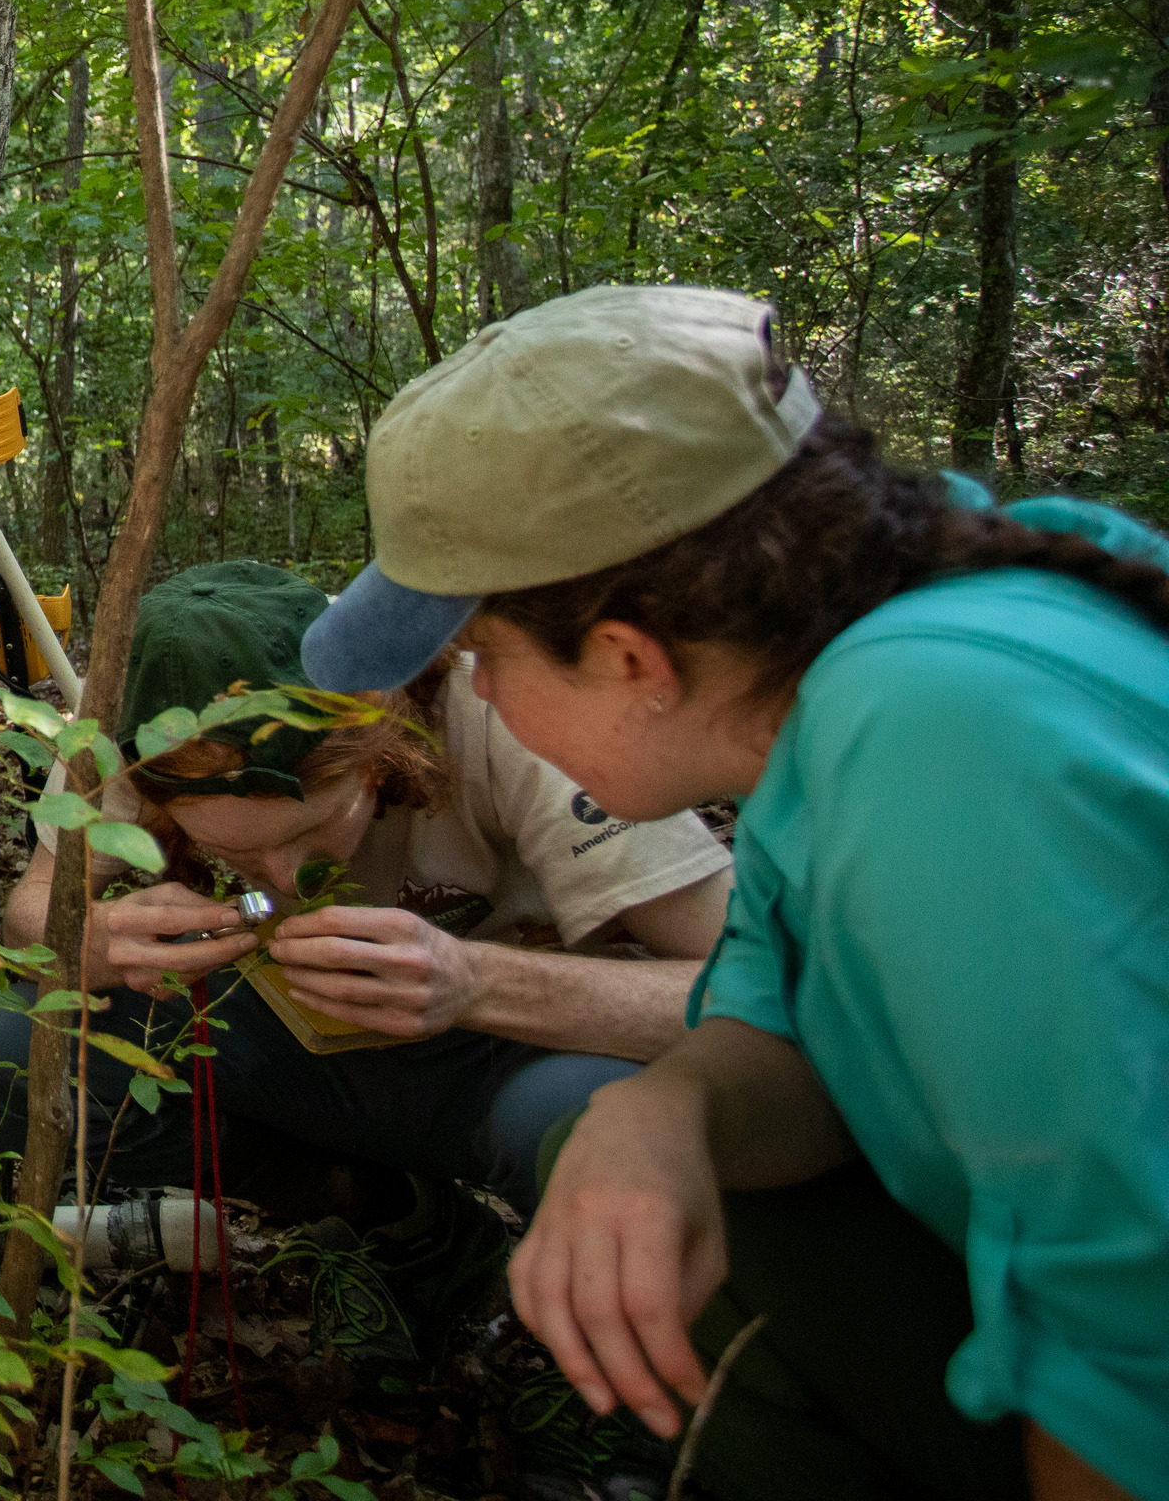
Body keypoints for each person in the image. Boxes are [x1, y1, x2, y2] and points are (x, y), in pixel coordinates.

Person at [296, 282, 1168, 1501]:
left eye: (482, 658)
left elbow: (1135, 1327)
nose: (478, 700)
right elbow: (780, 1007)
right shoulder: (842, 691)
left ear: (629, 657)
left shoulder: (935, 730)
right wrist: (669, 1113)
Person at [0, 560, 732, 1243]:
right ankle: (388, 1221)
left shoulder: (498, 706)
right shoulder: (129, 721)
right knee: (1, 1050)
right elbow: (33, 910)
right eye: (236, 855)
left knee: (602, 1124)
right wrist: (92, 942)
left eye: (319, 827)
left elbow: (761, 996)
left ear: (381, 739)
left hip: (508, 1054)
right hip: (293, 1051)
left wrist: (474, 983)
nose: (287, 879)